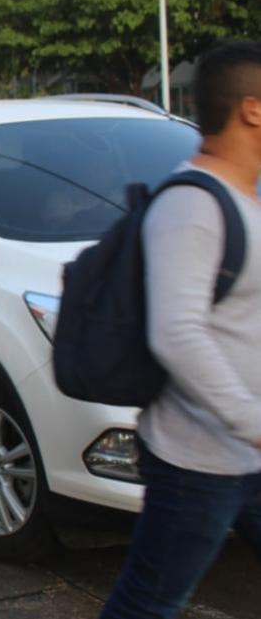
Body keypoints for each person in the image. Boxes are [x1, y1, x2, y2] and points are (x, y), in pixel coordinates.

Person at [98, 41, 261, 619]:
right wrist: (254, 423)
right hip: (199, 462)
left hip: (241, 453)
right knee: (147, 603)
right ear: (252, 109)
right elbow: (178, 335)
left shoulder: (247, 198)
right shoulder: (194, 205)